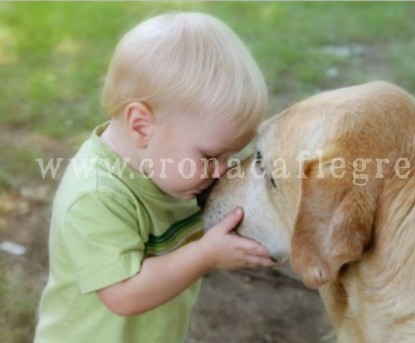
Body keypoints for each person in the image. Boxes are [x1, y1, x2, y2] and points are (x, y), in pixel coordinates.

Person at [34, 12, 275, 343]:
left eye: (229, 156)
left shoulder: (174, 171)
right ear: (141, 126)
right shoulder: (96, 195)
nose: (221, 170)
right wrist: (205, 255)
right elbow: (124, 294)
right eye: (209, 156)